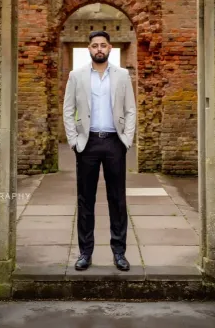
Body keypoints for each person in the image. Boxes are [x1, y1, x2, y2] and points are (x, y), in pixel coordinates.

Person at [63, 30, 136, 271]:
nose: (99, 49)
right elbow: (68, 109)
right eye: (95, 45)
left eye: (103, 45)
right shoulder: (77, 76)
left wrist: (127, 139)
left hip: (115, 142)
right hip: (88, 144)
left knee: (117, 200)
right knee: (86, 200)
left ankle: (119, 253)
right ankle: (85, 253)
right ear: (89, 49)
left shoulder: (123, 76)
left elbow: (130, 110)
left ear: (110, 48)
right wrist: (73, 141)